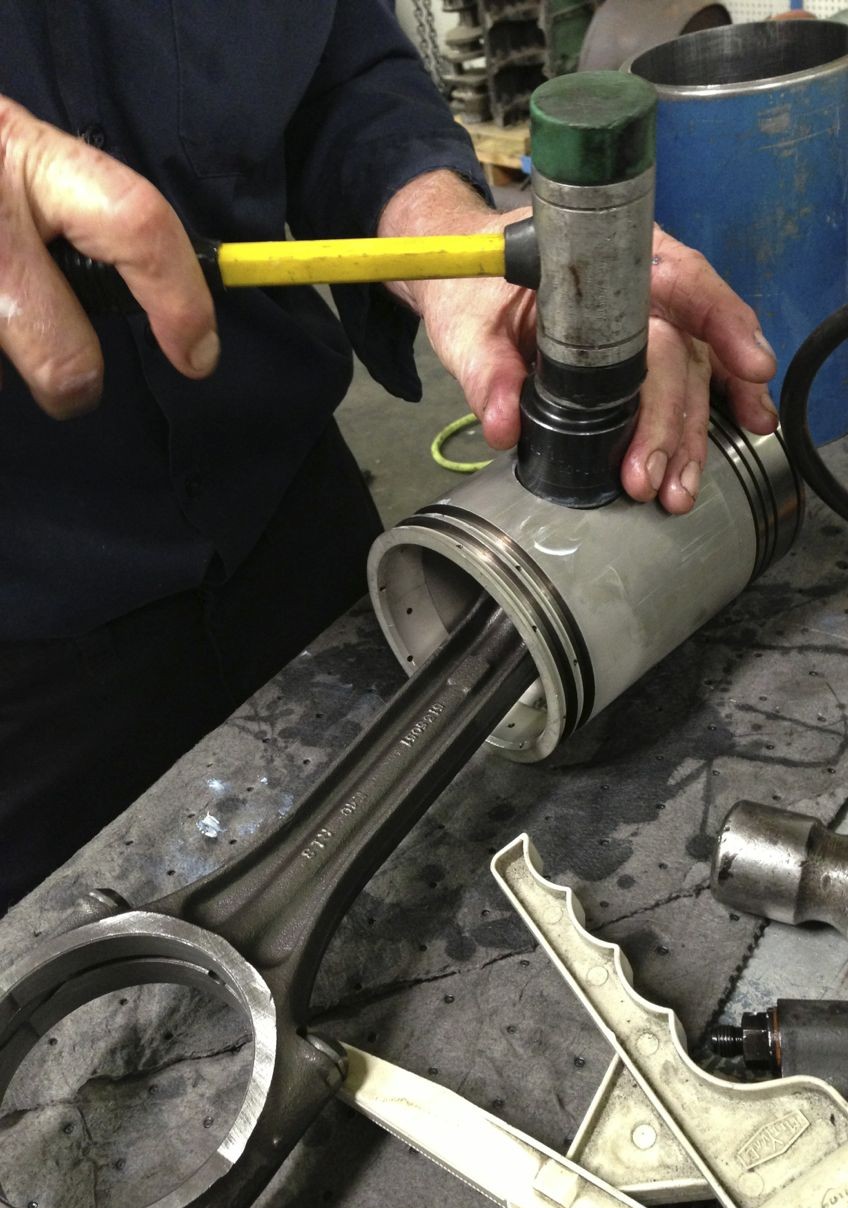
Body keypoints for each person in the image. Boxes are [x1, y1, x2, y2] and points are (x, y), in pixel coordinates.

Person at [0, 1, 778, 913]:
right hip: (28, 650)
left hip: (293, 523)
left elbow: (341, 84)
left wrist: (445, 235)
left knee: (413, 858)